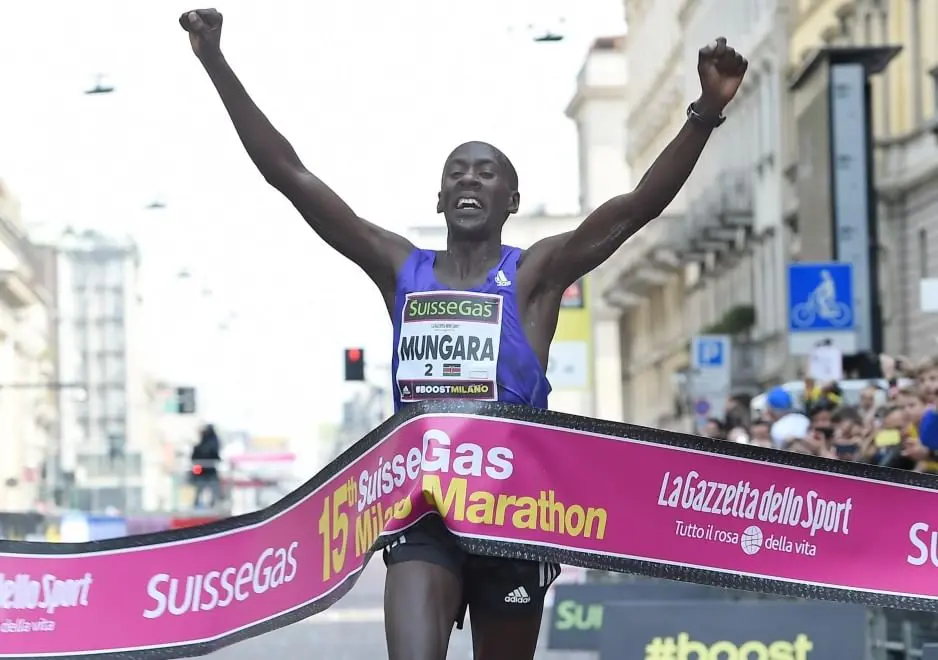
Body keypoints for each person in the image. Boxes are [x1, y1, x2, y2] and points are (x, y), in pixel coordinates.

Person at [178, 9, 748, 659]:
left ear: (511, 200)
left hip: (516, 515)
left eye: (486, 173)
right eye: (456, 173)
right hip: (424, 517)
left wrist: (705, 108)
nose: (469, 180)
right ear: (440, 199)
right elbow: (292, 176)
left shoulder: (534, 275)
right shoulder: (401, 267)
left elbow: (637, 205)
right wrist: (215, 61)